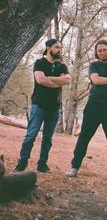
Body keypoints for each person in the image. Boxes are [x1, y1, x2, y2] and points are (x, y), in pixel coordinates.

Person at [65, 39, 107, 187]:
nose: (101, 53)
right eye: (99, 51)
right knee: (84, 137)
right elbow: (96, 80)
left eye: (104, 50)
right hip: (93, 107)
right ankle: (74, 167)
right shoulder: (94, 65)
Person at [13, 38, 70, 173]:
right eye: (57, 47)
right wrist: (57, 82)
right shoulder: (39, 63)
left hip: (54, 108)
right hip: (39, 106)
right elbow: (40, 79)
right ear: (49, 48)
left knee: (47, 139)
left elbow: (67, 80)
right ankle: (22, 163)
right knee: (30, 136)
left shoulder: (62, 66)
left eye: (61, 48)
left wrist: (49, 78)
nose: (59, 50)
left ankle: (42, 164)